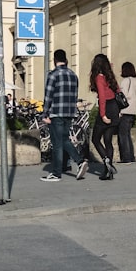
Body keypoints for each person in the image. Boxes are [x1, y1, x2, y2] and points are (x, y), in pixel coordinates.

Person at [40, 49, 87, 182]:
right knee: (64, 139)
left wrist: (45, 113)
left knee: (58, 143)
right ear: (66, 60)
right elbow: (75, 95)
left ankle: (58, 172)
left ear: (54, 60)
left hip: (57, 112)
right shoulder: (73, 75)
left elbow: (48, 96)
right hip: (70, 112)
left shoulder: (53, 75)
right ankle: (76, 163)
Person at [90, 53, 120, 181]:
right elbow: (118, 91)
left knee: (95, 139)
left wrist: (102, 115)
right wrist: (118, 110)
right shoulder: (110, 76)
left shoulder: (99, 78)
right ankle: (108, 171)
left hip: (106, 108)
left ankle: (106, 160)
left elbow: (102, 97)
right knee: (108, 140)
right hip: (114, 108)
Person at [116, 61, 136, 164]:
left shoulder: (125, 81)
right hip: (133, 110)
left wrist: (119, 110)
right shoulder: (135, 81)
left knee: (123, 134)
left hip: (125, 110)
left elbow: (122, 95)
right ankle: (131, 156)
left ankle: (126, 158)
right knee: (128, 134)